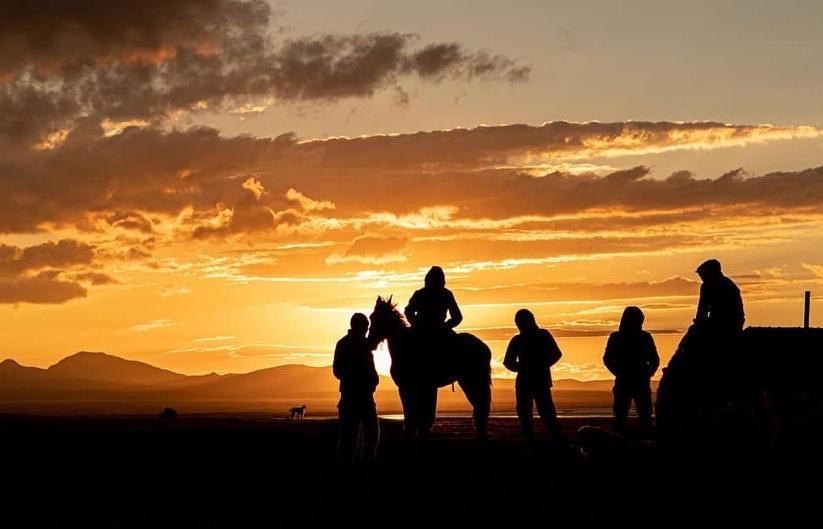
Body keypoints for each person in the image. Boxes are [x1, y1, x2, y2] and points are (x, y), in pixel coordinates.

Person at [503, 309, 564, 447]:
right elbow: (508, 362)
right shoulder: (535, 337)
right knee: (534, 414)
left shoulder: (525, 338)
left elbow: (508, 362)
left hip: (531, 381)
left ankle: (552, 443)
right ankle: (547, 443)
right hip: (534, 380)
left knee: (542, 413)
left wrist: (531, 366)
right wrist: (540, 365)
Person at [603, 306, 660, 435]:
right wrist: (618, 372)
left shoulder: (644, 337)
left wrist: (648, 373)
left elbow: (655, 359)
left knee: (643, 415)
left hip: (638, 381)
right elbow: (607, 359)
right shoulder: (617, 337)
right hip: (628, 381)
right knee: (621, 415)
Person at [333, 313, 380, 464]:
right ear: (360, 327)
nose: (366, 331)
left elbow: (337, 371)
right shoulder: (349, 344)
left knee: (367, 435)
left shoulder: (348, 343)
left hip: (359, 396)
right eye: (365, 328)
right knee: (351, 439)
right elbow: (338, 371)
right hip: (355, 397)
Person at [404, 266, 463, 333]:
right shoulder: (446, 294)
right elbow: (409, 311)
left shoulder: (446, 294)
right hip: (422, 330)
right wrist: (417, 324)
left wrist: (444, 326)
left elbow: (457, 317)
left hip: (437, 330)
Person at [694, 259, 745, 335]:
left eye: (702, 274)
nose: (701, 278)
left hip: (721, 323)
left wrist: (698, 323)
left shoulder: (707, 286)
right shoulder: (729, 283)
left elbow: (702, 308)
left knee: (691, 336)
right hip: (736, 323)